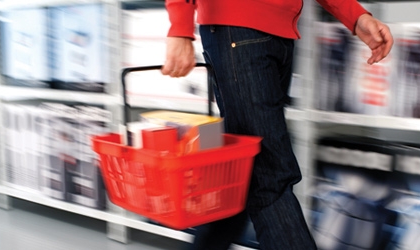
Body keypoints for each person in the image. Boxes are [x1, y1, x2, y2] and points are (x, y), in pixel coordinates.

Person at [161, 0, 393, 249]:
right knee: (269, 174)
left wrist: (356, 17)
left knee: (244, 171)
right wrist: (180, 28)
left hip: (278, 37)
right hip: (237, 27)